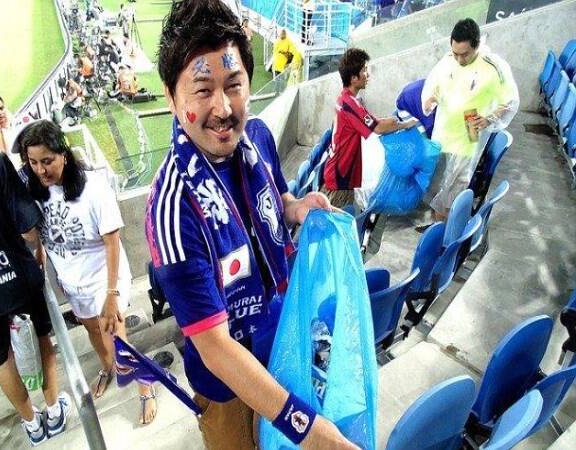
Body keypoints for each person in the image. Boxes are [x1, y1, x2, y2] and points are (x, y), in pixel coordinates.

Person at [149, 1, 357, 449]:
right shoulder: (172, 210)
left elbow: (275, 200)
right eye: (202, 90)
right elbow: (217, 349)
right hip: (229, 389)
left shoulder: (257, 137)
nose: (224, 108)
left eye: (234, 85)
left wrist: (299, 207)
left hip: (281, 342)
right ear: (171, 96)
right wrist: (311, 432)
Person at [17, 120, 158, 425]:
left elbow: (112, 242)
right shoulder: (33, 190)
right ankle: (108, 369)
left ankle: (145, 387)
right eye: (33, 162)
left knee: (116, 334)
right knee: (93, 330)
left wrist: (111, 294)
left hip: (104, 275)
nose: (41, 170)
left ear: (63, 155)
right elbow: (37, 234)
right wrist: (40, 253)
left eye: (47, 161)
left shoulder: (93, 187)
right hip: (71, 279)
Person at [0, 81, 71, 446]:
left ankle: (31, 422)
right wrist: (34, 254)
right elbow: (30, 228)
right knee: (42, 340)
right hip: (15, 278)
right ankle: (52, 408)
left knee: (1, 358)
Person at [421, 18, 518, 222]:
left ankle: (443, 234)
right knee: (440, 184)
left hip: (468, 130)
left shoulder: (492, 67)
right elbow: (439, 86)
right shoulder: (450, 60)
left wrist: (489, 118)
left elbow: (508, 101)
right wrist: (431, 99)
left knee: (453, 189)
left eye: (464, 54)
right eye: (455, 53)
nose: (459, 59)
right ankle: (437, 225)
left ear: (476, 45)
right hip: (445, 130)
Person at [323, 48, 416, 209]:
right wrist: (405, 124)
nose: (368, 74)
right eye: (364, 70)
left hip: (342, 175)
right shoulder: (350, 104)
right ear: (353, 78)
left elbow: (373, 121)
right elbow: (378, 127)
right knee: (332, 228)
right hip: (340, 179)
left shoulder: (348, 99)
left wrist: (394, 122)